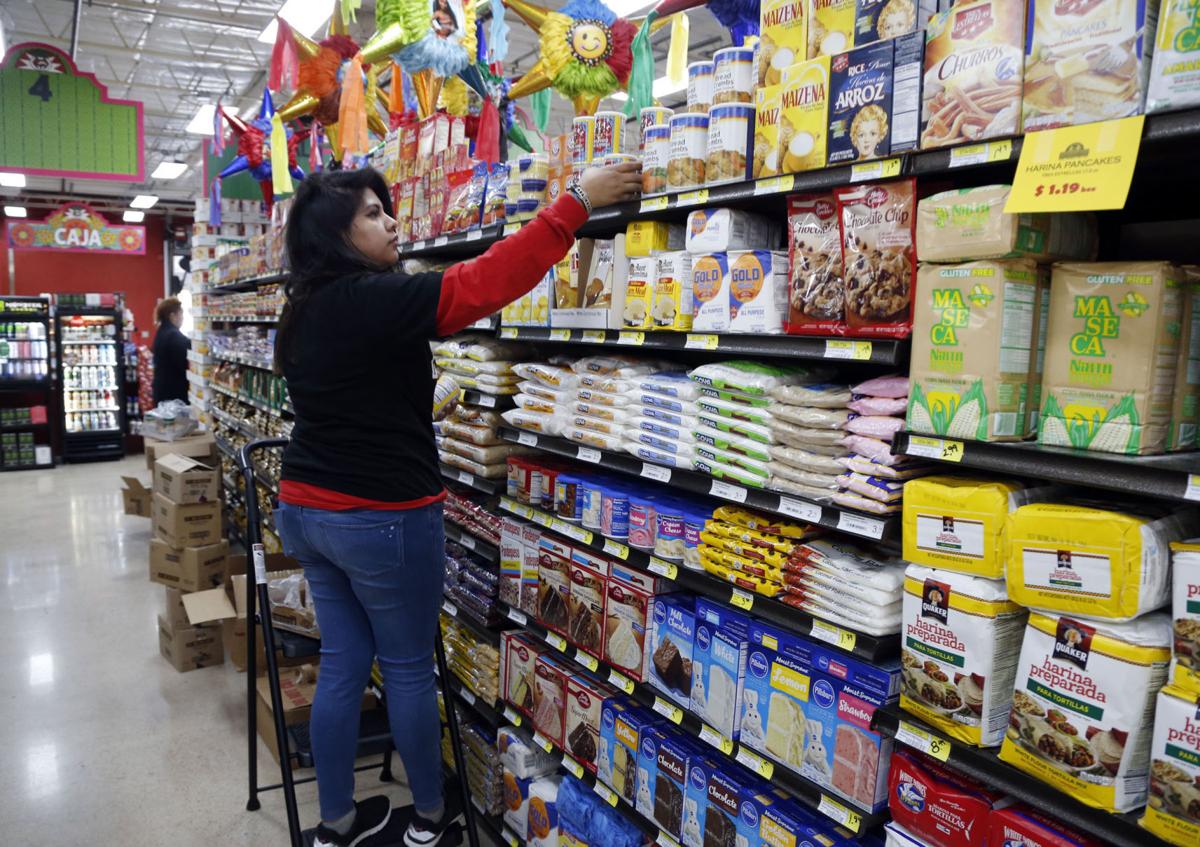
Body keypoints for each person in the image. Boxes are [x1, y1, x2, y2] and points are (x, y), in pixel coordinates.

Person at [273, 162, 642, 847]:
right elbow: (485, 282)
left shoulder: (302, 310)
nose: (391, 222)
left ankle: (335, 823)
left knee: (347, 661)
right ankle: (429, 820)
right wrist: (574, 204)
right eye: (372, 214)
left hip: (307, 508)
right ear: (337, 235)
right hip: (380, 514)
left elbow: (354, 393)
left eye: (389, 209)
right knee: (409, 664)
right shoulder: (375, 298)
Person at [151, 296, 190, 404]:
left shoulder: (162, 331)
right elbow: (184, 365)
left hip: (162, 391)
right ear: (172, 316)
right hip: (174, 395)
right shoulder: (174, 336)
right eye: (181, 314)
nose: (182, 318)